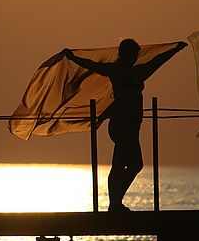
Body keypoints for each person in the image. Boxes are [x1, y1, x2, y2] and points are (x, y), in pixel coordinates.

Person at [63, 39, 187, 212]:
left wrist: (175, 49)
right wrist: (72, 57)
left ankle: (115, 203)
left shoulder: (138, 72)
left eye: (136, 55)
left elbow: (157, 61)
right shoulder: (117, 71)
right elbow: (91, 65)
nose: (135, 57)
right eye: (132, 54)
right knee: (133, 164)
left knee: (121, 164)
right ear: (124, 54)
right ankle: (115, 203)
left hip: (132, 125)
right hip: (122, 124)